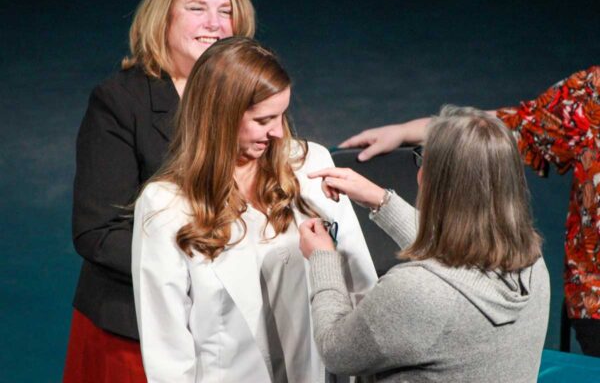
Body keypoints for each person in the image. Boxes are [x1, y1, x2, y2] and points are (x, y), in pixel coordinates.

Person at [131, 37, 377, 383]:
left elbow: (359, 283)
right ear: (220, 117)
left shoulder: (310, 165)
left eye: (281, 115)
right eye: (263, 120)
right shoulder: (165, 205)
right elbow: (167, 350)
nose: (277, 132)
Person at [64, 0, 256, 381]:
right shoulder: (118, 101)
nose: (214, 24)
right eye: (197, 8)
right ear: (163, 17)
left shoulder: (250, 92)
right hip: (134, 331)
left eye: (225, 11)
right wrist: (198, 267)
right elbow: (97, 232)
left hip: (231, 325)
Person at [340, 66, 600, 356]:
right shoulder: (592, 91)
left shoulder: (409, 287)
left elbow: (337, 348)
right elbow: (509, 127)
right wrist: (403, 133)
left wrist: (322, 262)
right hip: (594, 299)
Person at [299, 106, 551, 382]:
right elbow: (460, 260)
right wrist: (382, 200)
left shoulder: (416, 291)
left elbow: (336, 351)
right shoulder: (533, 263)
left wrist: (323, 259)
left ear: (431, 180)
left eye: (422, 161)